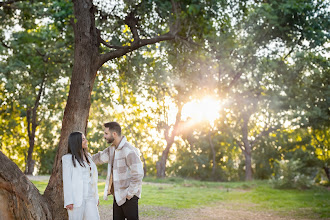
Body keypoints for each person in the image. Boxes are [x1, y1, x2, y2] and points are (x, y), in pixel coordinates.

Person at [92, 122, 144, 220]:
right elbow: (99, 158)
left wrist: (129, 194)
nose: (104, 136)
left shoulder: (129, 150)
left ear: (114, 134)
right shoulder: (111, 149)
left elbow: (138, 174)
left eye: (106, 133)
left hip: (129, 197)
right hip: (117, 195)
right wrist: (82, 157)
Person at [62, 131, 100, 220]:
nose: (86, 141)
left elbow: (93, 179)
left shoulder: (88, 157)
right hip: (76, 199)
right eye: (83, 139)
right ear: (76, 142)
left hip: (90, 197)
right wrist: (68, 201)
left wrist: (96, 196)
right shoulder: (67, 159)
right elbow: (67, 181)